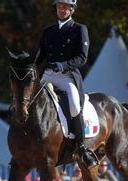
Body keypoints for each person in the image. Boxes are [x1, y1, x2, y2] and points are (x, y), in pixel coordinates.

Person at [35, 0, 98, 169]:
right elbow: (39, 56)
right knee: (30, 100)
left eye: (65, 7)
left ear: (72, 9)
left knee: (74, 106)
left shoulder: (79, 29)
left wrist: (63, 65)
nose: (61, 9)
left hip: (67, 75)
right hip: (48, 74)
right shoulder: (48, 31)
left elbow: (82, 58)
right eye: (59, 6)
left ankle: (82, 148)